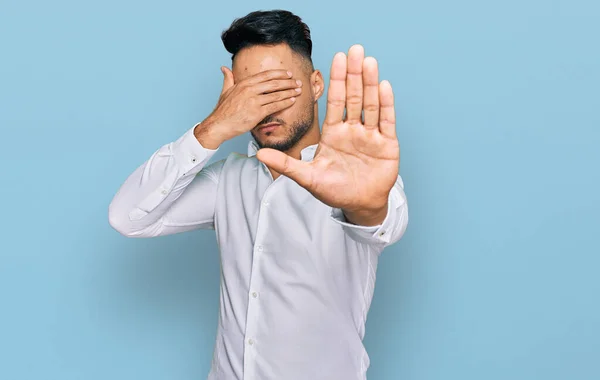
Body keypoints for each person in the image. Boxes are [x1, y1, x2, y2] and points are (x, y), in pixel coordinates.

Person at [108, 9, 408, 380]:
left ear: (316, 84)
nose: (266, 107)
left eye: (279, 87)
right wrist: (214, 127)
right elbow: (128, 217)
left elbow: (383, 221)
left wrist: (364, 203)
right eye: (252, 93)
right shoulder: (227, 181)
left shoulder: (358, 174)